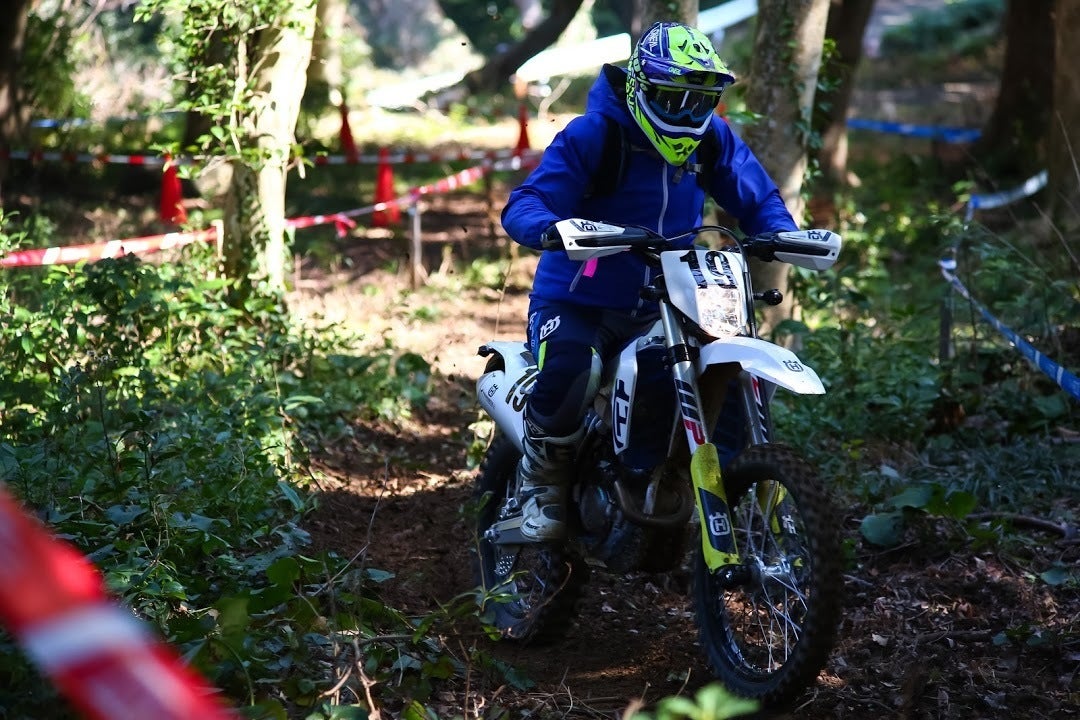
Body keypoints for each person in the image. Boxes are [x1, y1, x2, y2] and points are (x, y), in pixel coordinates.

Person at [500, 20, 798, 542]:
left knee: (722, 366)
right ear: (640, 88)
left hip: (673, 297)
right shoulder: (595, 135)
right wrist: (551, 228)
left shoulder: (713, 139)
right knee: (574, 368)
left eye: (699, 101)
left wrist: (781, 233)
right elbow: (528, 200)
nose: (686, 113)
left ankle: (702, 482)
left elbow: (757, 196)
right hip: (579, 300)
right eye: (672, 98)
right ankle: (539, 480)